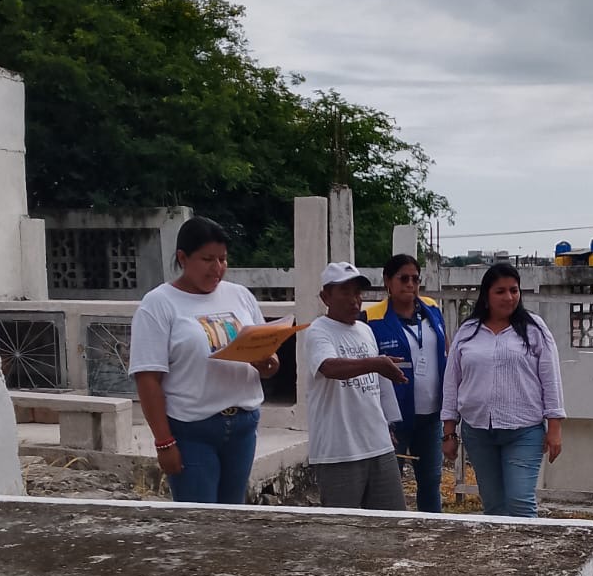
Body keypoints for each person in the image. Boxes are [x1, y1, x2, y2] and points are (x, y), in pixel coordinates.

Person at [128, 216, 279, 504]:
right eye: (207, 259)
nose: (217, 268)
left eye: (223, 259)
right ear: (182, 258)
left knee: (233, 514)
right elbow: (148, 378)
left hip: (243, 426)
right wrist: (164, 442)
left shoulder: (240, 296)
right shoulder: (158, 304)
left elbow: (267, 355)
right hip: (192, 429)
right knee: (199, 519)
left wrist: (268, 363)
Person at [441, 263, 565, 519]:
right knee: (494, 506)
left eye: (514, 290)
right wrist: (449, 431)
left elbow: (551, 379)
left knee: (520, 502)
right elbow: (452, 382)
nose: (508, 297)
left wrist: (554, 427)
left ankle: (528, 546)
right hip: (478, 431)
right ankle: (499, 547)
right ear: (486, 295)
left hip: (523, 431)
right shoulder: (468, 331)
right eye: (500, 291)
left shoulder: (534, 329)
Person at [305, 261, 409, 511]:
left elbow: (379, 386)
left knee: (392, 522)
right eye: (345, 292)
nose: (354, 300)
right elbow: (329, 367)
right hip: (339, 451)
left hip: (378, 445)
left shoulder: (365, 330)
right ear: (326, 297)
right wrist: (375, 363)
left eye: (357, 293)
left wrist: (388, 424)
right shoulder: (318, 331)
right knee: (343, 527)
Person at [364, 254, 449, 513]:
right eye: (403, 278)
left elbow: (444, 348)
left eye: (415, 279)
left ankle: (431, 530)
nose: (410, 284)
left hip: (431, 416)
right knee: (389, 484)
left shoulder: (432, 309)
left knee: (431, 482)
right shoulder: (371, 318)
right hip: (393, 418)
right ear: (387, 281)